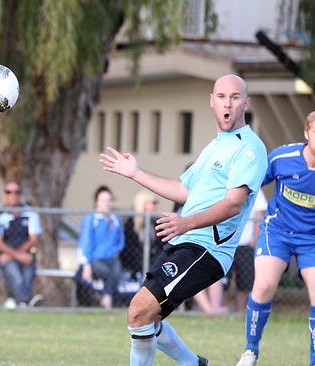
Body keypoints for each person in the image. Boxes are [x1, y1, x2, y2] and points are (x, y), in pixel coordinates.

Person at [100, 74, 267, 366]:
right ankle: (194, 364)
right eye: (221, 97)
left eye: (235, 97)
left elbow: (233, 204)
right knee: (146, 317)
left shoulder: (249, 148)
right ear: (212, 102)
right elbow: (182, 190)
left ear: (245, 103)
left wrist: (185, 223)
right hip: (184, 242)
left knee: (139, 309)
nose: (227, 103)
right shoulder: (215, 146)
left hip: (206, 248)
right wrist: (135, 173)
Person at [236, 111, 315, 366]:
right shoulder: (283, 157)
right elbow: (254, 181)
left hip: (311, 239)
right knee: (264, 286)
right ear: (306, 133)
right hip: (277, 231)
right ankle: (250, 351)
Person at [0, 180, 43, 309]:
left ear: (21, 194)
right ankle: (27, 301)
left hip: (27, 255)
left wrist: (20, 255)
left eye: (16, 192)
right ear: (5, 194)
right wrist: (16, 255)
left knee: (26, 277)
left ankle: (18, 302)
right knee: (16, 277)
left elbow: (34, 239)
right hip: (6, 256)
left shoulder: (30, 213)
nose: (13, 195)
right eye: (9, 192)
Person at [77, 186, 125, 309]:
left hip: (112, 258)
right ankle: (108, 298)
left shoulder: (116, 220)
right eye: (103, 200)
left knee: (116, 270)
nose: (106, 203)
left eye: (109, 200)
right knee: (110, 273)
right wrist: (86, 265)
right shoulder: (91, 219)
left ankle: (106, 297)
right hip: (95, 259)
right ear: (97, 202)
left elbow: (120, 241)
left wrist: (115, 251)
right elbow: (86, 243)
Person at [229, 191, 267, 313]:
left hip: (245, 244)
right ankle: (217, 311)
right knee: (220, 282)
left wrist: (254, 240)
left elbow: (259, 213)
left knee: (245, 285)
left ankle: (240, 312)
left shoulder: (255, 187)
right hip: (227, 244)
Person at [122, 190, 162, 280]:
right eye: (153, 203)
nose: (156, 206)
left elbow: (160, 244)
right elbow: (130, 249)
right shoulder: (131, 224)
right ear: (143, 204)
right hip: (135, 262)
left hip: (152, 261)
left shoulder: (155, 222)